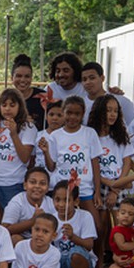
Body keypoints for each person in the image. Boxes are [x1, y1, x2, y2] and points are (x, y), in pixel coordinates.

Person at [88, 94, 134, 268]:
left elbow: (127, 161)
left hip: (118, 186)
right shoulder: (91, 135)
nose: (112, 114)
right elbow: (92, 165)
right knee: (101, 229)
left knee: (123, 228)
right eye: (108, 110)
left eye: (116, 110)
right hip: (98, 185)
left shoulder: (120, 136)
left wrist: (117, 186)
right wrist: (109, 185)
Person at [48, 96, 102, 225]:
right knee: (63, 225)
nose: (72, 117)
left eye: (77, 114)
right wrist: (45, 151)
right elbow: (51, 166)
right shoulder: (55, 136)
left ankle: (92, 246)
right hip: (63, 189)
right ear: (63, 112)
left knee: (96, 225)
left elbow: (95, 164)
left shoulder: (90, 133)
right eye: (69, 113)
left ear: (83, 114)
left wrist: (97, 192)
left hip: (84, 188)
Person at [0, 88, 36, 214]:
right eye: (4, 105)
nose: (7, 109)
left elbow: (25, 157)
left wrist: (14, 134)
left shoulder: (28, 127)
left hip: (13, 182)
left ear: (20, 106)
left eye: (12, 105)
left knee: (12, 219)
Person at [51, 179, 97, 268]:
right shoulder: (51, 218)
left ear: (76, 201)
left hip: (81, 261)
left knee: (76, 254)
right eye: (57, 199)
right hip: (58, 261)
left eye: (66, 200)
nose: (61, 204)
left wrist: (74, 237)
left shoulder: (85, 216)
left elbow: (89, 245)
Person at [81, 62, 134, 136]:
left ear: (102, 78)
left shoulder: (121, 101)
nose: (88, 82)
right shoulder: (80, 104)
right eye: (84, 79)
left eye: (92, 78)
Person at [1, 166, 56, 244]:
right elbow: (5, 229)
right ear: (25, 185)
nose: (37, 186)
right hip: (24, 242)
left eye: (42, 183)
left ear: (47, 188)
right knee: (15, 238)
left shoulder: (51, 203)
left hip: (45, 242)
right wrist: (33, 221)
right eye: (33, 182)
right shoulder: (17, 202)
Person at [11, 54, 46, 130]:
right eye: (19, 76)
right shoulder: (7, 98)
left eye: (27, 76)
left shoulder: (43, 97)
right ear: (12, 77)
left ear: (31, 78)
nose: (23, 80)